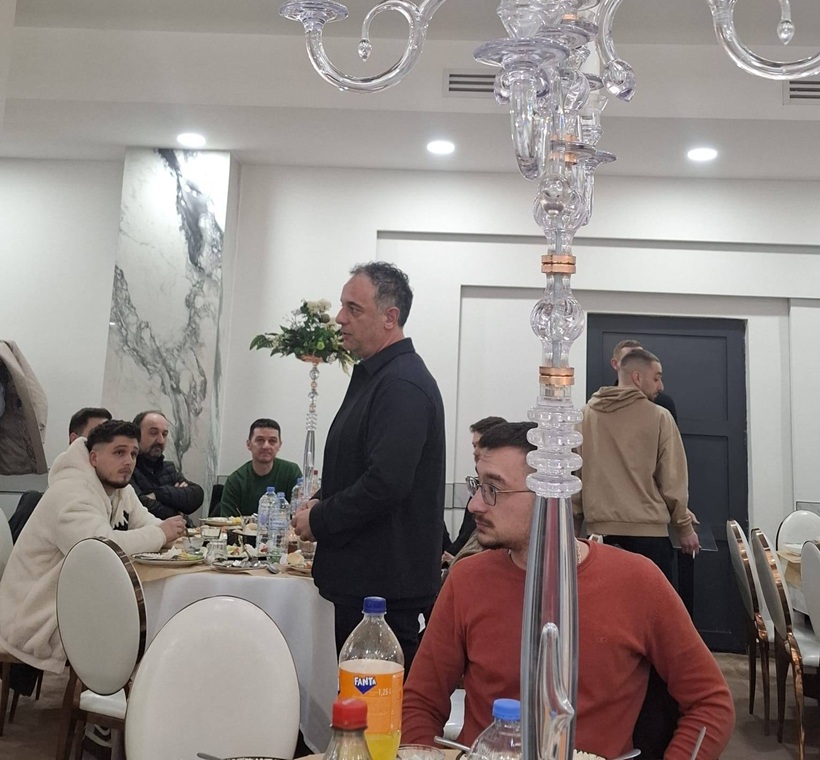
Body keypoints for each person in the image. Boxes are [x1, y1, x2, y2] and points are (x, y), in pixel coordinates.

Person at [401, 422, 734, 760]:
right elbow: (420, 702)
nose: (474, 505)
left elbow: (710, 702)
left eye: (493, 489)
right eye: (478, 485)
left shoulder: (637, 582)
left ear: (549, 497)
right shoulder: (467, 580)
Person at [291, 261, 446, 671]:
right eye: (342, 306)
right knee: (358, 701)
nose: (340, 318)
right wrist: (319, 500)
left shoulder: (401, 384)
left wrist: (320, 519)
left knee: (375, 704)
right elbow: (360, 467)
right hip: (366, 581)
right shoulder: (380, 376)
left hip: (382, 592)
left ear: (389, 318)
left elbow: (385, 483)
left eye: (353, 309)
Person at [0, 420, 186, 675]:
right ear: (94, 458)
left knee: (149, 615)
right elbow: (100, 549)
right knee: (138, 622)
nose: (128, 461)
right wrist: (161, 533)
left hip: (73, 597)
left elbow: (147, 522)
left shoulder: (119, 489)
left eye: (133, 454)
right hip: (35, 611)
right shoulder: (70, 492)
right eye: (119, 452)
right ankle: (126, 689)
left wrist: (172, 533)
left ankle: (141, 685)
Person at [573, 348, 699, 583]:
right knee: (650, 605)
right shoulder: (659, 416)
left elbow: (575, 478)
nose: (660, 386)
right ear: (637, 377)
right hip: (649, 536)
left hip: (597, 537)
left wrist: (573, 528)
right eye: (657, 378)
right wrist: (684, 528)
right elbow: (672, 480)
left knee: (602, 604)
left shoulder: (585, 416)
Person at [9, 406, 113, 543]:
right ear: (74, 439)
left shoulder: (115, 485)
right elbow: (97, 543)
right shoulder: (69, 487)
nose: (106, 443)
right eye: (97, 435)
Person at [443, 416, 506, 562]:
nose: (475, 452)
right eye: (474, 446)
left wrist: (458, 560)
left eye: (481, 445)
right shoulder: (476, 486)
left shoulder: (503, 492)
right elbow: (464, 536)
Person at [219, 418, 302, 517]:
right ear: (248, 444)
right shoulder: (235, 481)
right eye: (260, 440)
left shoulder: (291, 472)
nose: (266, 446)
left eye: (272, 441)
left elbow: (300, 515)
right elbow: (227, 522)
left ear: (279, 445)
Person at [130, 410, 204, 520]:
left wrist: (158, 494)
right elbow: (138, 508)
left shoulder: (169, 468)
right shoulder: (128, 468)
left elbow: (196, 495)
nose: (160, 440)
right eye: (153, 433)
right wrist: (176, 509)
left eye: (164, 434)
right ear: (136, 436)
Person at [611, 339, 678, 421]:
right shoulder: (604, 404)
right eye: (629, 359)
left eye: (642, 357)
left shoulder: (664, 404)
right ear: (615, 364)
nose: (638, 363)